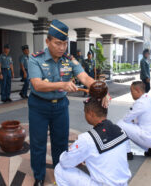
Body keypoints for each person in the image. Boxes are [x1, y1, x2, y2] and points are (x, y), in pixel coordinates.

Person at [28, 19, 109, 186]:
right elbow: (37, 84)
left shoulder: (69, 60)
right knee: (38, 143)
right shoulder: (35, 59)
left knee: (61, 141)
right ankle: (38, 176)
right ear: (47, 41)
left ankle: (61, 172)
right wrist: (62, 84)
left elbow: (85, 77)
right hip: (39, 106)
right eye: (58, 43)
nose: (62, 47)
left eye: (65, 43)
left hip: (60, 106)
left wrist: (101, 89)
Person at [55, 98, 131, 186]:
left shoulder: (87, 139)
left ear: (90, 113)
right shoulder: (119, 129)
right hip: (123, 183)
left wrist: (75, 153)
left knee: (59, 169)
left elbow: (65, 162)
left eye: (85, 112)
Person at [118, 81, 151, 159]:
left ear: (137, 90)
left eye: (131, 91)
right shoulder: (149, 99)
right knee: (133, 126)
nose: (131, 93)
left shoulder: (140, 103)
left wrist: (131, 120)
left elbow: (126, 119)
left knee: (120, 124)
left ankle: (127, 153)